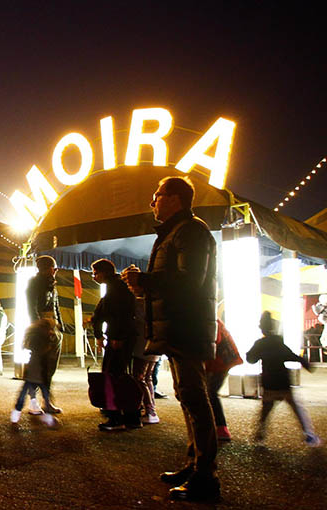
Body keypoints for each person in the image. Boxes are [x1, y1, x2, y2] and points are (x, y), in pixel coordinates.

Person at [122, 175, 220, 502]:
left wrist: (146, 281)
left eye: (157, 194)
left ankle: (206, 477)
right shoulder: (176, 232)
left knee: (195, 398)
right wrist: (144, 283)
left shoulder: (191, 231)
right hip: (178, 328)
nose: (153, 202)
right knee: (185, 395)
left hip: (186, 328)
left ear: (175, 199)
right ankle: (194, 464)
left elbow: (189, 281)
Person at [247, 311, 320, 447]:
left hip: (269, 382)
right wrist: (306, 364)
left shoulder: (260, 344)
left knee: (265, 411)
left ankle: (259, 436)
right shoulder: (278, 342)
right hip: (283, 381)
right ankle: (309, 435)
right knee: (297, 409)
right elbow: (291, 355)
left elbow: (251, 359)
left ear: (262, 328)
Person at [91, 258, 140, 430]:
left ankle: (117, 417)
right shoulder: (116, 287)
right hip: (121, 336)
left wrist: (117, 337)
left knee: (112, 377)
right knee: (118, 376)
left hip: (119, 337)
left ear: (103, 272)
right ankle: (131, 416)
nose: (93, 276)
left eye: (95, 273)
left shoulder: (116, 289)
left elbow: (120, 314)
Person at [25, 255, 63, 414]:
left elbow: (56, 306)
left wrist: (59, 326)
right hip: (41, 329)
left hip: (53, 328)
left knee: (50, 367)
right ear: (47, 268)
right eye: (53, 268)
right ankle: (33, 403)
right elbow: (31, 306)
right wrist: (40, 325)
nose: (55, 271)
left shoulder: (52, 284)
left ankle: (46, 402)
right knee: (37, 366)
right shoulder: (34, 283)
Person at [10, 319, 60, 428]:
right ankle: (47, 416)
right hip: (40, 373)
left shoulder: (34, 340)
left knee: (23, 393)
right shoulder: (44, 344)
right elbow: (45, 360)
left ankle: (17, 412)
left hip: (32, 373)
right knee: (45, 395)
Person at [205, 320, 242, 441]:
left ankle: (221, 428)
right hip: (222, 361)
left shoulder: (210, 320)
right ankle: (217, 427)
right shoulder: (212, 318)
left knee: (211, 393)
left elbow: (215, 340)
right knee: (210, 393)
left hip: (219, 362)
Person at [131, 297, 160, 425]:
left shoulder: (139, 303)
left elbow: (138, 322)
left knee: (139, 377)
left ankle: (150, 411)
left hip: (142, 345)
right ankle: (150, 410)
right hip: (154, 344)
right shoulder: (155, 302)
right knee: (147, 377)